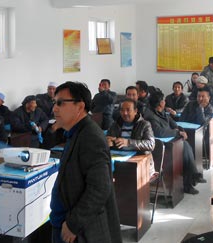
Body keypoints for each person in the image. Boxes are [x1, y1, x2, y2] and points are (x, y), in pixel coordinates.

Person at [49, 81, 122, 243]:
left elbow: (100, 188)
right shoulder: (75, 132)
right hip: (66, 222)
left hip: (78, 229)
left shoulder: (90, 137)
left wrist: (73, 224)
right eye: (55, 103)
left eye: (61, 103)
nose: (55, 108)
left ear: (79, 107)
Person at [147, 90, 205, 194]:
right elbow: (160, 132)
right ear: (160, 103)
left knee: (186, 147)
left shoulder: (162, 112)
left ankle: (191, 179)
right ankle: (191, 178)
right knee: (185, 148)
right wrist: (177, 133)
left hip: (171, 142)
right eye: (164, 100)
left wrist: (181, 130)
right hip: (161, 148)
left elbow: (174, 124)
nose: (165, 102)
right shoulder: (150, 115)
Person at [106, 98, 155, 175]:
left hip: (140, 163)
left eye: (128, 110)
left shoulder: (145, 124)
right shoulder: (115, 125)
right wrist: (109, 143)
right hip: (119, 162)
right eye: (122, 110)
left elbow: (151, 144)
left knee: (128, 177)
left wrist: (128, 142)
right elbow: (109, 141)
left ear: (135, 111)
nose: (124, 113)